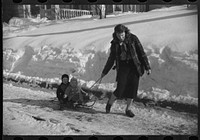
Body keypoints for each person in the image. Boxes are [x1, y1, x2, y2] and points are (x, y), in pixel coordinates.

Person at [101, 24, 151, 117]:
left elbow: (141, 53)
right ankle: (110, 103)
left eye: (122, 35)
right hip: (123, 67)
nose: (121, 37)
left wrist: (147, 66)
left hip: (135, 66)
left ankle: (128, 109)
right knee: (120, 89)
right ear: (115, 34)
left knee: (132, 89)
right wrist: (105, 71)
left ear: (125, 32)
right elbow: (111, 59)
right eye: (119, 35)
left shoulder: (133, 39)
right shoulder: (115, 43)